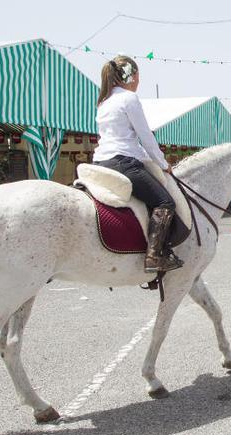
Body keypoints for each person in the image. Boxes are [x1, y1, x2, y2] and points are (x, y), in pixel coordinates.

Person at [92, 56, 182, 273]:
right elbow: (145, 137)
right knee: (165, 202)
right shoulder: (129, 98)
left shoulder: (104, 102)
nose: (139, 80)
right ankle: (154, 257)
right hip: (123, 162)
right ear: (131, 75)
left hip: (101, 161)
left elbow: (127, 139)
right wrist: (162, 164)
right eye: (138, 75)